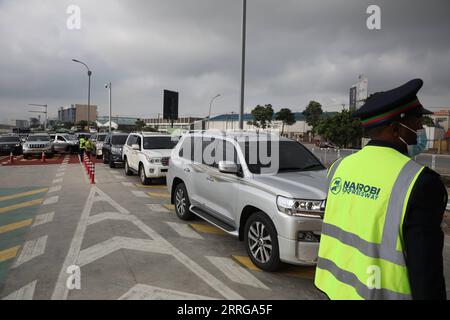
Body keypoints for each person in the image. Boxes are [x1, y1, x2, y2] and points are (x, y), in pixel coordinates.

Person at [315, 79, 447, 300]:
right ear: (395, 129)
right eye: (416, 124)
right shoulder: (420, 182)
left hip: (333, 289)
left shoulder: (339, 167)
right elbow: (426, 270)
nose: (420, 132)